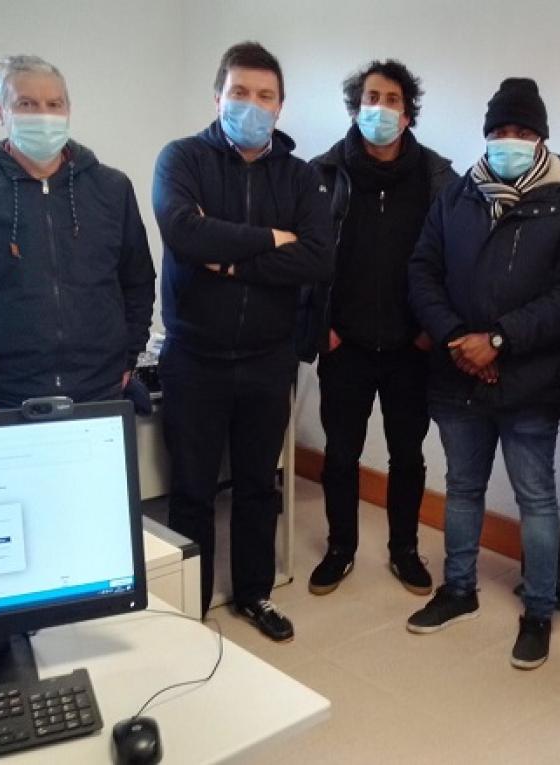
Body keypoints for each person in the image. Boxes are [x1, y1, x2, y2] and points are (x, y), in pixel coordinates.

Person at [406, 78, 560, 669]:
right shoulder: (458, 193)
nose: (508, 142)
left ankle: (539, 610)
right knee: (461, 489)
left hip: (530, 380)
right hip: (457, 368)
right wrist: (457, 341)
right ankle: (457, 589)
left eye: (521, 132)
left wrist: (498, 341)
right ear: (485, 135)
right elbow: (422, 270)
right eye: (499, 132)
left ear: (541, 137)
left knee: (535, 499)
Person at [152, 41, 333, 640]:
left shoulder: (301, 177)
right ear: (218, 96)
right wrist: (269, 240)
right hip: (193, 358)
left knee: (260, 485)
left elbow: (315, 258)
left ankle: (254, 593)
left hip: (267, 358)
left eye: (265, 95)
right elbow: (183, 232)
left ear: (281, 107)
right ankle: (190, 609)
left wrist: (229, 259)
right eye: (239, 92)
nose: (251, 105)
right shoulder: (181, 159)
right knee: (194, 491)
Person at [306, 60, 456, 597]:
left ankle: (404, 550)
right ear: (356, 105)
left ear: (407, 112)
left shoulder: (438, 178)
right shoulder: (323, 173)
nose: (381, 108)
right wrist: (320, 327)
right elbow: (305, 257)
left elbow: (452, 261)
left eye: (392, 99)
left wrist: (428, 331)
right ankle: (340, 548)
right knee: (341, 453)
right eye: (371, 97)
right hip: (343, 344)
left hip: (409, 348)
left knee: (407, 455)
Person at [0, 55, 154, 413]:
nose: (43, 115)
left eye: (54, 104)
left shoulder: (111, 188)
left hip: (100, 391)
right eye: (26, 104)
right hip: (0, 397)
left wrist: (127, 356)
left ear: (68, 109)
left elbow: (137, 280)